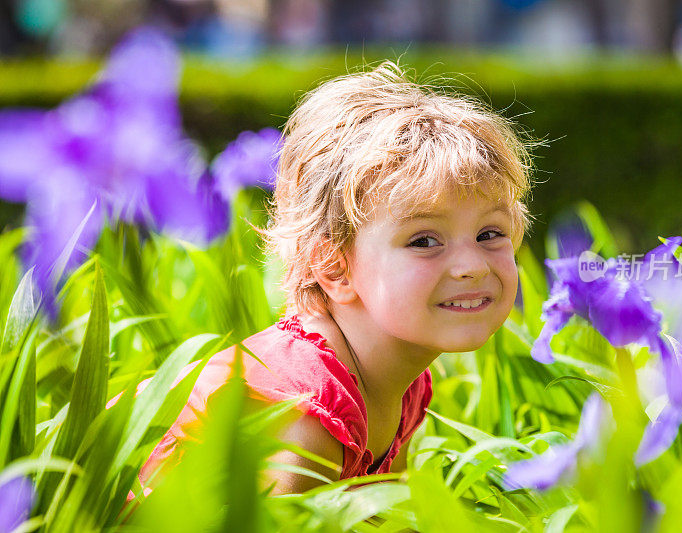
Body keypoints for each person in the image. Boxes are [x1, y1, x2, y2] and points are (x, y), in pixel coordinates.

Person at [134, 61, 533, 495]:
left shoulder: (403, 378)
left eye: (489, 233)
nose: (472, 264)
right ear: (334, 267)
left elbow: (380, 517)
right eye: (424, 241)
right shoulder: (305, 415)